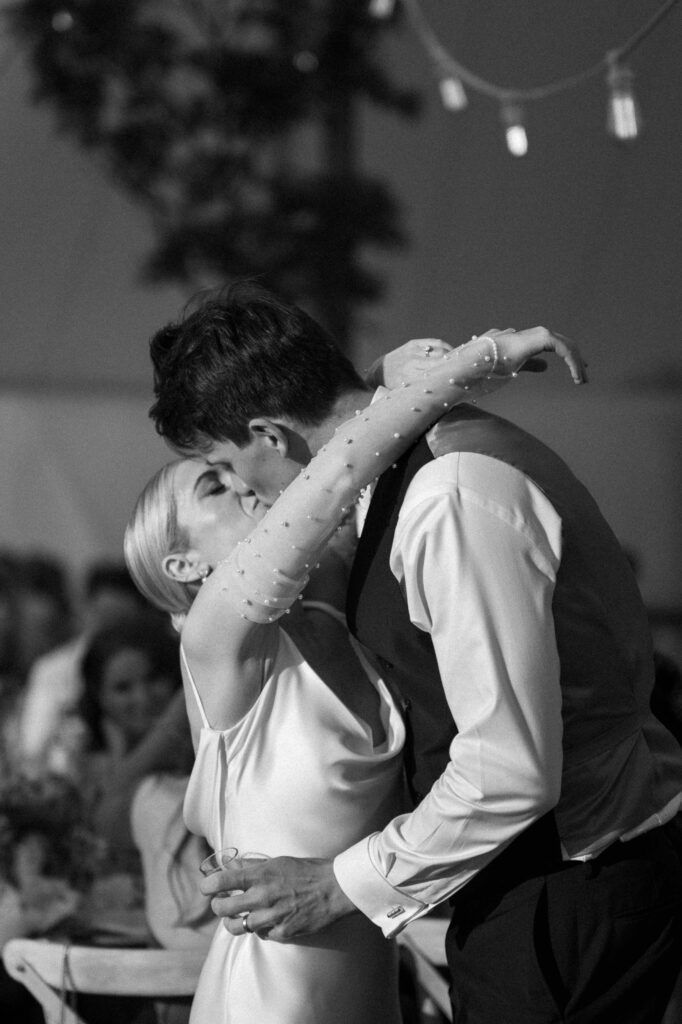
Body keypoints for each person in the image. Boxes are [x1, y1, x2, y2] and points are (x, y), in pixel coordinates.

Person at [147, 285, 682, 1024]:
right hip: (457, 909)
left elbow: (508, 767)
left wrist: (341, 885)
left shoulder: (445, 494)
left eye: (220, 460)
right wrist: (457, 363)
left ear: (268, 433)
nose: (244, 488)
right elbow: (346, 446)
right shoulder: (250, 613)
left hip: (568, 879)